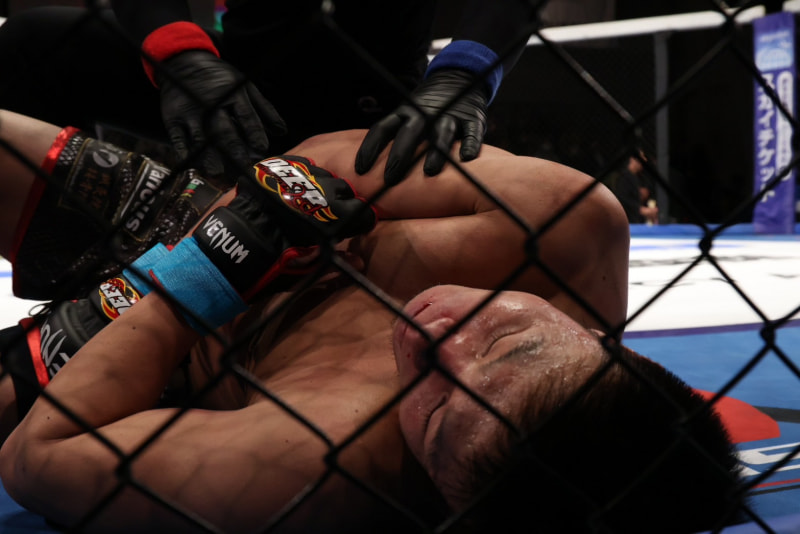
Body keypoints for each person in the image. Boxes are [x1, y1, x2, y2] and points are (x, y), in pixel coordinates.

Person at [0, 109, 744, 533]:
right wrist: (235, 228)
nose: (432, 341)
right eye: (505, 342)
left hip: (139, 360)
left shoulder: (322, 473)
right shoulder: (566, 230)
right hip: (188, 209)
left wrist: (199, 279)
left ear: (451, 501)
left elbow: (39, 458)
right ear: (599, 339)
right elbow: (314, 164)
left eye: (439, 419)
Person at [0, 0, 536, 184]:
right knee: (34, 41)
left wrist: (460, 77)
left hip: (380, 112)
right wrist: (181, 57)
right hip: (238, 85)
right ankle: (84, 254)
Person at [610, 150, 659, 225]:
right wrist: (641, 210)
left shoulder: (635, 177)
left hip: (636, 221)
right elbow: (622, 199)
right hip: (628, 222)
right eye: (641, 157)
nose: (645, 160)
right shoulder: (625, 177)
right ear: (633, 159)